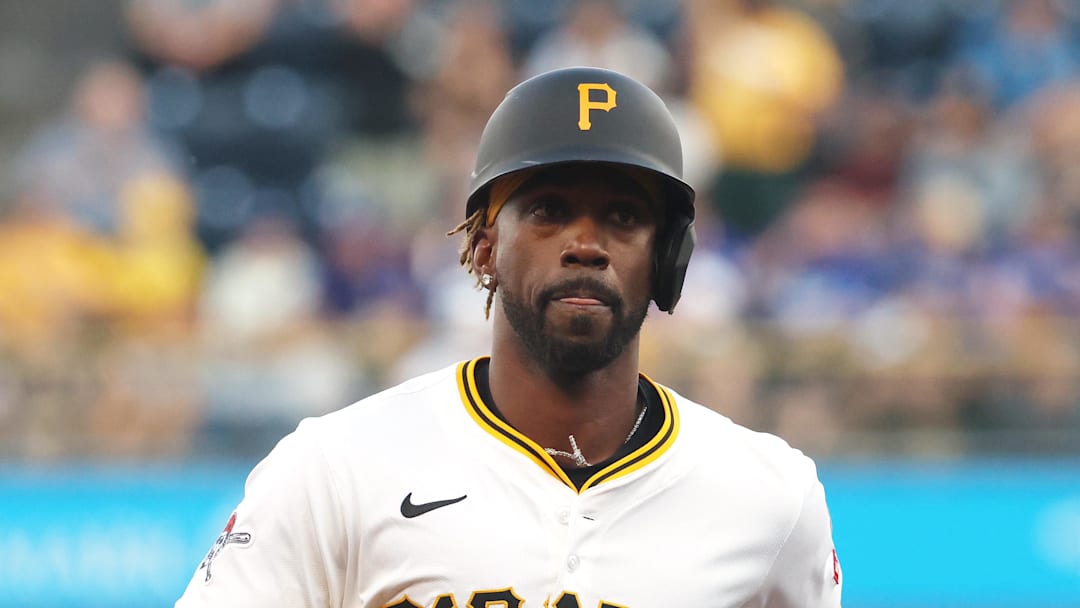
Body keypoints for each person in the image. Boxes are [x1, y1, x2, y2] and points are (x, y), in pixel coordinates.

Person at [175, 66, 843, 607]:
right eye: (549, 211)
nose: (586, 244)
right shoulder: (335, 467)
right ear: (485, 246)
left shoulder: (771, 498)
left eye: (624, 215)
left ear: (669, 256)